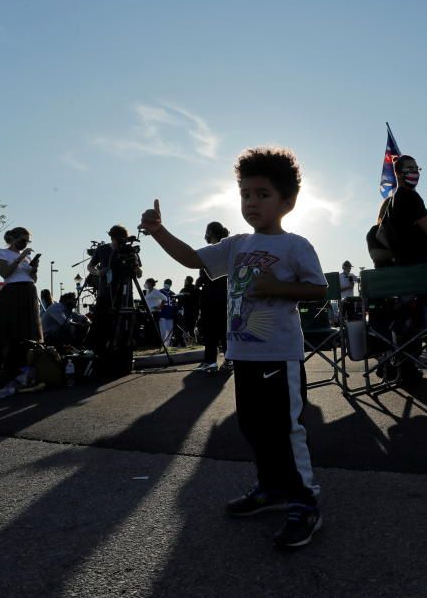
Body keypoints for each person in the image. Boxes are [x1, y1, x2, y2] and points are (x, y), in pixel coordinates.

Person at [139, 146, 327, 549]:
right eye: (244, 194)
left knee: (286, 428)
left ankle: (304, 500)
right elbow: (192, 259)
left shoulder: (296, 245)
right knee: (254, 427)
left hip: (280, 355)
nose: (251, 202)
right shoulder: (236, 244)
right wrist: (158, 232)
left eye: (262, 194)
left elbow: (319, 290)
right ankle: (272, 489)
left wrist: (278, 287)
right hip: (243, 355)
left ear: (288, 201)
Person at [0, 227, 43, 375]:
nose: (25, 244)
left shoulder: (26, 257)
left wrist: (34, 269)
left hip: (29, 291)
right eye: (23, 240)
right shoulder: (1, 253)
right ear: (13, 239)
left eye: (28, 241)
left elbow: (33, 279)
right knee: (11, 329)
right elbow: (5, 273)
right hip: (13, 292)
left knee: (30, 329)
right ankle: (7, 366)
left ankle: (29, 364)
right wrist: (20, 258)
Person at [87, 224, 142, 351]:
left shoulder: (130, 251)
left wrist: (135, 266)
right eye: (119, 239)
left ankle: (124, 348)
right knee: (102, 324)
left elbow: (139, 274)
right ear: (112, 238)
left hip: (125, 294)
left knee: (125, 323)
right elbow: (90, 267)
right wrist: (98, 272)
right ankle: (100, 350)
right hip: (106, 293)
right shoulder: (102, 249)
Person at [196, 221, 230, 373]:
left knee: (211, 330)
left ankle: (211, 362)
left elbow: (206, 276)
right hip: (224, 295)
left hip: (212, 296)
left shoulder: (211, 251)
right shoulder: (228, 249)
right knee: (223, 330)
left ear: (210, 232)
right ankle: (228, 361)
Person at [143, 278, 167, 346]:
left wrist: (159, 307)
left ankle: (157, 344)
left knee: (155, 329)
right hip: (149, 312)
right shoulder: (147, 291)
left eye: (146, 282)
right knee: (149, 328)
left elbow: (164, 298)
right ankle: (150, 343)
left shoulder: (155, 291)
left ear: (150, 284)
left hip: (155, 312)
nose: (145, 284)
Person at [177, 276, 199, 344]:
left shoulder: (191, 289)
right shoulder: (192, 288)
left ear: (188, 281)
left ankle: (190, 341)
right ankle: (191, 341)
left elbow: (180, 299)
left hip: (190, 311)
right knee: (190, 327)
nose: (184, 281)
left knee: (189, 327)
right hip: (192, 311)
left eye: (185, 280)